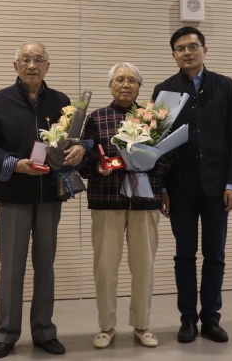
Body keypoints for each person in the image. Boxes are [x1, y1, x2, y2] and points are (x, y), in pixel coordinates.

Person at [0, 42, 87, 359]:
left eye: (38, 59)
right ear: (16, 66)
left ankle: (44, 331)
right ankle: (6, 335)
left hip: (50, 194)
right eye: (25, 59)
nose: (32, 65)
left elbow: (74, 141)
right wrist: (15, 164)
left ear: (48, 66)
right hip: (13, 195)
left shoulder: (62, 102)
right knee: (11, 267)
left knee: (45, 266)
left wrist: (79, 148)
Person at [151, 27, 232, 344]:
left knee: (214, 255)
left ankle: (211, 319)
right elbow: (157, 144)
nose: (187, 52)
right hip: (180, 188)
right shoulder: (164, 91)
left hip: (218, 187)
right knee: (184, 255)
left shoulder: (224, 86)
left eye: (193, 46)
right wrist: (162, 188)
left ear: (205, 49)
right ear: (173, 55)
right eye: (180, 48)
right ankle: (188, 320)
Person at [80, 63, 171, 349]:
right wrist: (96, 167)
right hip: (106, 199)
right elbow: (83, 158)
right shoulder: (96, 118)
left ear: (140, 87)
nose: (125, 84)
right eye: (119, 79)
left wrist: (149, 165)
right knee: (105, 267)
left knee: (144, 266)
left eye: (132, 80)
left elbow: (168, 158)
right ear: (110, 86)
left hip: (145, 199)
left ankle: (142, 325)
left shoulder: (153, 118)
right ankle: (106, 327)